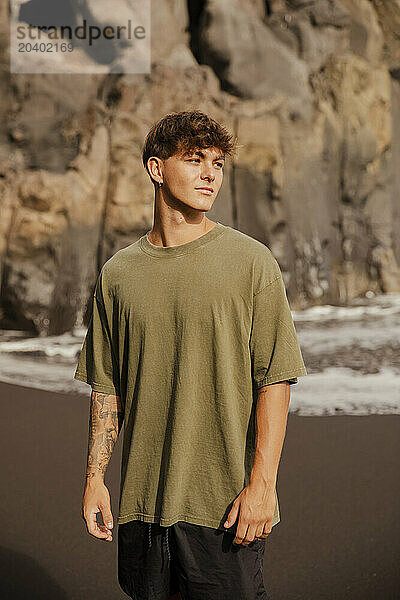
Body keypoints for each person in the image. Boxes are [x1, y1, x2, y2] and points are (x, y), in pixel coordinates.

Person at [74, 110, 308, 600]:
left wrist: (262, 486)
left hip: (222, 507)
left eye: (218, 164)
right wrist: (95, 479)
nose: (210, 174)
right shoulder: (117, 275)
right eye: (195, 160)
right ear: (157, 169)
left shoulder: (251, 262)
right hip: (143, 510)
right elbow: (107, 387)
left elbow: (276, 379)